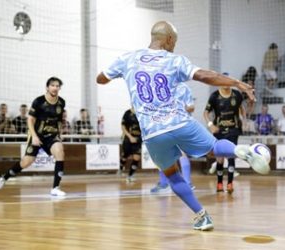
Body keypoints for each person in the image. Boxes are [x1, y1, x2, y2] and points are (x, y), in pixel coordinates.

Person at [96, 21, 267, 231]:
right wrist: (237, 83)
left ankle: (201, 216)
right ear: (168, 39)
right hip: (179, 122)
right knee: (214, 148)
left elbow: (101, 79)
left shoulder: (127, 58)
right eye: (174, 41)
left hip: (152, 133)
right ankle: (242, 151)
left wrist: (118, 75)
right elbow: (205, 76)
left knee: (171, 175)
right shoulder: (175, 60)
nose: (174, 45)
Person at [0, 77, 67, 196]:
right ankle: (4, 177)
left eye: (57, 86)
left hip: (52, 135)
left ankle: (55, 188)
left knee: (60, 152)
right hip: (37, 134)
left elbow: (59, 120)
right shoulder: (38, 101)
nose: (55, 88)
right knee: (26, 162)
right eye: (52, 85)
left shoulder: (61, 102)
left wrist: (59, 134)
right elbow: (30, 120)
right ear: (47, 87)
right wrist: (34, 136)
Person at [150, 83, 195, 193]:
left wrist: (176, 110)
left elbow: (191, 107)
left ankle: (187, 183)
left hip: (179, 125)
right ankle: (164, 183)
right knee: (161, 154)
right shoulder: (158, 88)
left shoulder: (183, 87)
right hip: (163, 126)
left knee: (181, 154)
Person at [204, 79, 245, 193]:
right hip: (219, 131)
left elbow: (242, 108)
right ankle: (219, 183)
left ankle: (230, 183)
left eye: (228, 81)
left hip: (233, 130)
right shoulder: (214, 96)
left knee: (232, 155)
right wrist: (210, 125)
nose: (226, 83)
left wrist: (244, 120)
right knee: (220, 157)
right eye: (223, 81)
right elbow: (205, 113)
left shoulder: (237, 95)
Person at [119, 107, 142, 182]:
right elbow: (123, 126)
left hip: (138, 139)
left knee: (137, 157)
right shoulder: (127, 113)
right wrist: (130, 137)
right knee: (125, 155)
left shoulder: (142, 112)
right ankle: (121, 167)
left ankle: (130, 175)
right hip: (128, 139)